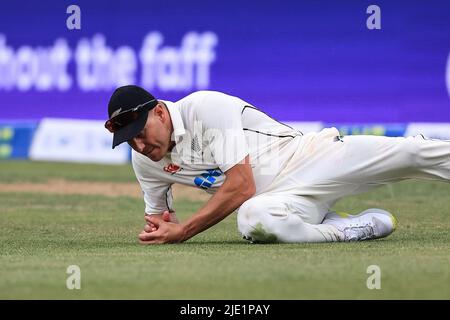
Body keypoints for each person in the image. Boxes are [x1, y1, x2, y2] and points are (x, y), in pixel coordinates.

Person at [105, 85, 450, 244]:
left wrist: (183, 231)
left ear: (161, 112)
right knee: (253, 220)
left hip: (312, 158)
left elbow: (241, 184)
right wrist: (162, 226)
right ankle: (350, 229)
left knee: (413, 154)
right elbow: (159, 218)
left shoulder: (203, 107)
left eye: (141, 132)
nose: (140, 145)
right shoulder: (144, 160)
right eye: (130, 140)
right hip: (281, 202)